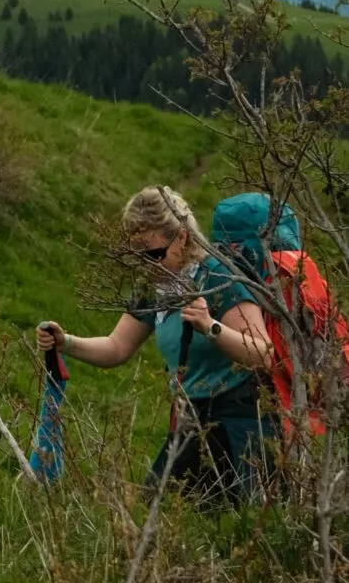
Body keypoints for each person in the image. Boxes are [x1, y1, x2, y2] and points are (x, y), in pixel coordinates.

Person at [37, 184, 274, 499]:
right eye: (137, 257)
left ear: (182, 238)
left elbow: (263, 354)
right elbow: (116, 347)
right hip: (193, 419)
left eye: (154, 254)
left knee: (182, 509)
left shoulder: (218, 277)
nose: (146, 265)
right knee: (160, 507)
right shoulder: (156, 288)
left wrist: (210, 326)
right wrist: (65, 341)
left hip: (240, 423)